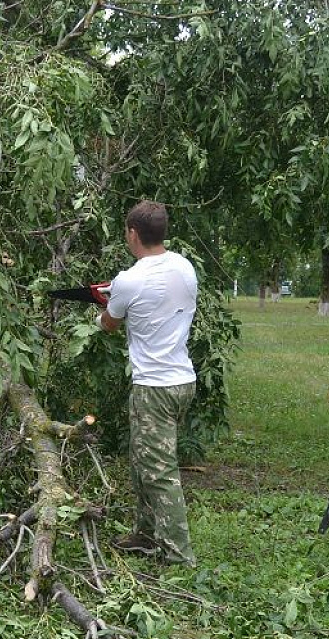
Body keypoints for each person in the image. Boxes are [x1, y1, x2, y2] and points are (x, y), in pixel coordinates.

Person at [98, 200, 199, 566]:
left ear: (132, 233)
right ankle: (144, 534)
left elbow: (109, 322)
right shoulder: (184, 267)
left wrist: (102, 308)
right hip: (183, 380)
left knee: (159, 471)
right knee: (143, 460)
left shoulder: (130, 280)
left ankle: (178, 555)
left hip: (153, 387)